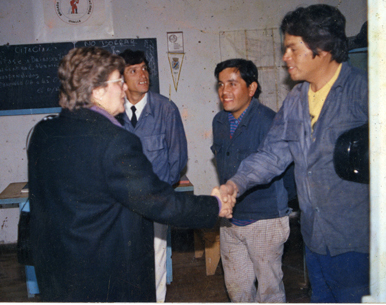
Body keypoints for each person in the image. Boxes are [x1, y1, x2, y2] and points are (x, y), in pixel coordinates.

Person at [27, 47, 234, 302]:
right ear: (98, 90)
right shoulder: (115, 141)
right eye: (119, 82)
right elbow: (159, 202)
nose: (125, 89)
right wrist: (214, 205)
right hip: (106, 278)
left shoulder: (43, 134)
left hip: (58, 276)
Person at [218, 4, 369, 303]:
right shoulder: (297, 99)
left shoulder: (363, 92)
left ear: (322, 49)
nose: (285, 57)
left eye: (292, 49)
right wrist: (235, 184)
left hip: (357, 242)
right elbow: (272, 154)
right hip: (315, 238)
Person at [212, 58, 295, 302]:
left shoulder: (271, 122)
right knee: (237, 289)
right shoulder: (219, 122)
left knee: (269, 292)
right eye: (220, 84)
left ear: (252, 88)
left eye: (232, 84)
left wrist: (280, 207)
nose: (224, 91)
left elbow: (287, 175)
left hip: (265, 221)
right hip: (231, 221)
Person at [118, 49, 188, 302]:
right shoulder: (112, 112)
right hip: (121, 203)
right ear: (121, 80)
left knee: (156, 257)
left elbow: (177, 158)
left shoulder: (166, 109)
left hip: (155, 200)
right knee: (124, 259)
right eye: (134, 70)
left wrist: (160, 192)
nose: (143, 75)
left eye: (145, 68)